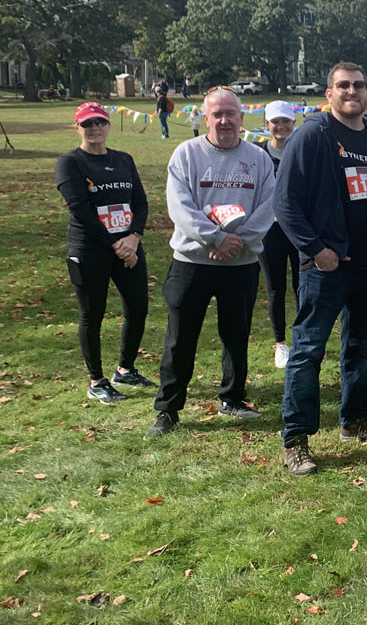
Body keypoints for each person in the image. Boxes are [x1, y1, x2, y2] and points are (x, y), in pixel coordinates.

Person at [274, 63, 367, 476]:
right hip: (325, 269)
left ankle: (355, 420)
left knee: (359, 348)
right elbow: (285, 203)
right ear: (329, 93)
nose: (352, 91)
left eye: (359, 85)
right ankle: (296, 439)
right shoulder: (312, 136)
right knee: (307, 351)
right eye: (343, 85)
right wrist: (316, 250)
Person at [146, 87, 277, 437]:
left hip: (240, 264)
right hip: (192, 262)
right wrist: (216, 239)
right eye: (217, 114)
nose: (224, 120)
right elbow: (180, 206)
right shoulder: (187, 154)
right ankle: (168, 409)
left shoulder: (259, 158)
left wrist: (237, 242)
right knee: (180, 337)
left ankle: (232, 398)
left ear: (241, 117)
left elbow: (269, 206)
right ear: (205, 118)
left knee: (236, 335)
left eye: (230, 113)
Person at [55, 102, 153, 404]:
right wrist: (116, 244)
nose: (94, 128)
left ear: (108, 125)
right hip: (90, 249)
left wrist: (133, 238)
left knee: (138, 307)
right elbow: (80, 209)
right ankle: (96, 381)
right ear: (77, 128)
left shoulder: (123, 159)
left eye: (100, 122)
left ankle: (125, 369)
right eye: (87, 124)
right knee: (92, 314)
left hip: (129, 247)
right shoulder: (70, 162)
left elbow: (140, 202)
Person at [258, 101, 301, 368]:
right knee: (276, 287)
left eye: (286, 121)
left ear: (293, 123)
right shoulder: (258, 153)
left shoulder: (301, 150)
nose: (281, 126)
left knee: (302, 285)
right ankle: (280, 344)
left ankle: (303, 338)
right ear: (267, 124)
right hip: (269, 229)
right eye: (276, 122)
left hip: (298, 229)